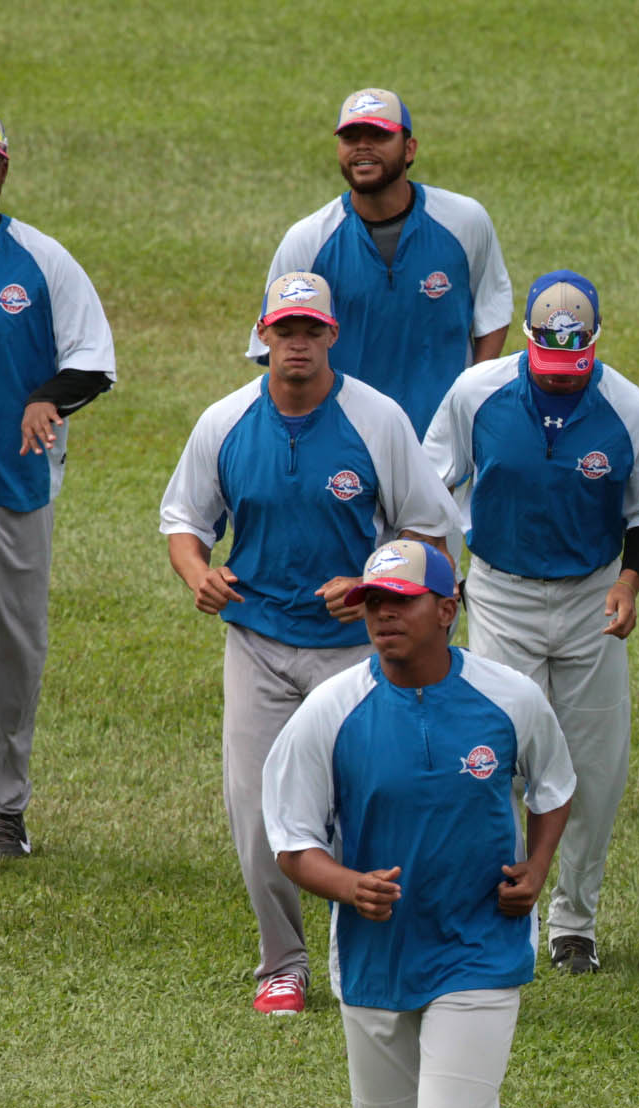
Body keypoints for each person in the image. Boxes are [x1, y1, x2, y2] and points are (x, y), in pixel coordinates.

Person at [261, 538, 573, 1108]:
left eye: (400, 600)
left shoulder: (509, 699)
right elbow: (290, 841)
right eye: (372, 602)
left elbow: (552, 788)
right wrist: (344, 884)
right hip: (374, 966)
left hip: (479, 952)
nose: (383, 616)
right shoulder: (330, 712)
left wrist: (538, 866)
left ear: (450, 606)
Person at [159, 272, 457, 1014]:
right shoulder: (225, 423)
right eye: (284, 330)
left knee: (369, 804)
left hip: (353, 649)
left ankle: (380, 948)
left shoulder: (376, 419)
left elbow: (429, 528)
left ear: (331, 335)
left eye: (310, 330)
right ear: (263, 336)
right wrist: (198, 573)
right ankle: (282, 965)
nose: (297, 343)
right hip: (256, 641)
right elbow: (183, 519)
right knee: (256, 806)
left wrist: (365, 584)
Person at [425, 271, 639, 976]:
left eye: (576, 367)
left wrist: (629, 584)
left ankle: (575, 921)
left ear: (595, 343)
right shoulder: (477, 393)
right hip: (500, 590)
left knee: (594, 765)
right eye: (550, 366)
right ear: (529, 343)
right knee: (499, 755)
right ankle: (504, 905)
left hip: (592, 595)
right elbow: (429, 479)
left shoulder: (631, 411)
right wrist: (444, 575)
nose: (563, 379)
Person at [0, 105, 114, 865]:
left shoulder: (43, 261)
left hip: (18, 487)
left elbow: (94, 356)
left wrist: (49, 394)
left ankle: (4, 809)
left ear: (3, 170)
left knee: (13, 657)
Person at [252, 89, 511, 437]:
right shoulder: (308, 241)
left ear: (409, 149)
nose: (362, 147)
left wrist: (471, 407)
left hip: (444, 443)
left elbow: (491, 310)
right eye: (350, 137)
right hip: (346, 445)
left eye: (378, 135)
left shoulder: (465, 222)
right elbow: (277, 347)